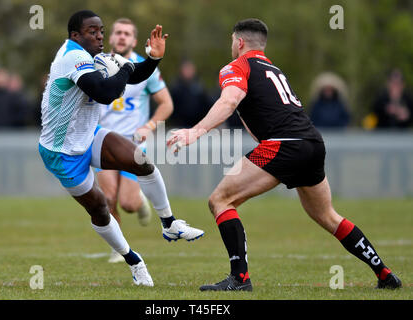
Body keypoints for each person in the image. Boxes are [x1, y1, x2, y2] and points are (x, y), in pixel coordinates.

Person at [167, 18, 402, 291]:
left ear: (239, 42)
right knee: (328, 216)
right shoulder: (274, 69)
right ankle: (384, 274)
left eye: (233, 40)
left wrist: (194, 132)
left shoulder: (236, 66)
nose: (232, 45)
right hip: (312, 143)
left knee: (220, 200)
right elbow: (260, 117)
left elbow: (229, 101)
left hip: (284, 145)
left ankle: (240, 279)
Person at [38, 10, 204, 287]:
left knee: (140, 160)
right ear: (75, 35)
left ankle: (170, 223)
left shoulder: (92, 55)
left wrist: (153, 58)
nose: (100, 36)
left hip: (88, 135)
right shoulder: (73, 56)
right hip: (61, 152)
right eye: (93, 31)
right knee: (102, 208)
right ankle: (133, 260)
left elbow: (135, 75)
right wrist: (126, 68)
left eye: (101, 30)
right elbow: (105, 91)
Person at [97, 18, 174, 263]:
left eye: (127, 34)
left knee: (127, 203)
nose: (121, 37)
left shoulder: (145, 67)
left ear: (134, 40)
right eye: (118, 32)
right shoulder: (96, 64)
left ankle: (139, 202)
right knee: (107, 198)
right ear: (110, 38)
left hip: (133, 143)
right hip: (102, 140)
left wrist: (149, 126)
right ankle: (119, 248)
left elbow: (166, 104)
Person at [169, 59, 211, 127]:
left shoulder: (200, 86)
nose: (188, 72)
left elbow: (206, 104)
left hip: (197, 125)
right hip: (180, 125)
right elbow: (172, 107)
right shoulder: (176, 87)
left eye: (190, 69)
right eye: (186, 69)